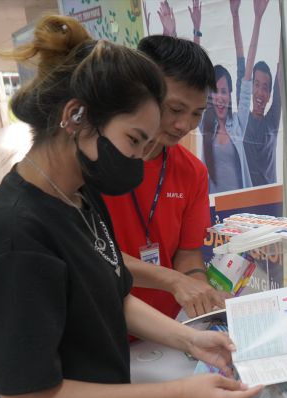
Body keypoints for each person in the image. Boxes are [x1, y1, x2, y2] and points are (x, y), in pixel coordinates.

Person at [0, 16, 260, 398]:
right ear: (76, 117)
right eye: (133, 138)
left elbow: (112, 291)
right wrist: (179, 391)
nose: (142, 156)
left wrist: (189, 338)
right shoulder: (14, 236)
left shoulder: (78, 195)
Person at [103, 35, 228, 321]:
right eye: (175, 109)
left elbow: (187, 254)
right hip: (106, 326)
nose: (184, 125)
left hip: (166, 331)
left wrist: (202, 291)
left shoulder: (192, 172)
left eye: (197, 113)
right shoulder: (98, 166)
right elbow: (93, 255)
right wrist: (173, 281)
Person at [201, 0, 256, 193]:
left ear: (230, 94)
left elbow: (245, 71)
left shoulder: (238, 123)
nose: (219, 97)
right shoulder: (204, 126)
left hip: (241, 209)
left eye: (224, 91)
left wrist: (240, 17)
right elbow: (193, 80)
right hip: (212, 211)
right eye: (214, 91)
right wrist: (196, 31)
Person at [243, 0, 281, 186]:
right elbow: (246, 69)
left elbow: (281, 70)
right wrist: (257, 19)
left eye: (265, 87)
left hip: (271, 200)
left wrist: (283, 15)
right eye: (256, 84)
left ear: (269, 94)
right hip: (247, 200)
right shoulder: (242, 121)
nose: (260, 91)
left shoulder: (272, 122)